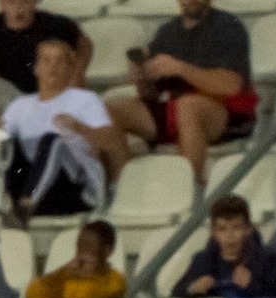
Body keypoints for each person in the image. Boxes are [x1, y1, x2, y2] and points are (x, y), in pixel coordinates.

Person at [107, 0, 255, 183]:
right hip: (173, 107)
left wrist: (181, 68)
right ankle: (123, 185)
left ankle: (187, 188)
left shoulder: (227, 27)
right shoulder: (167, 32)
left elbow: (231, 85)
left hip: (223, 113)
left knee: (187, 106)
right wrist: (141, 78)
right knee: (109, 109)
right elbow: (151, 96)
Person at [0, 38, 121, 219]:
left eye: (59, 61)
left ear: (70, 69)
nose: (52, 67)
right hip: (32, 186)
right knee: (1, 144)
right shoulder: (19, 106)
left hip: (74, 190)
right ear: (36, 68)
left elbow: (110, 143)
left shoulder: (85, 100)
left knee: (53, 141)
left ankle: (25, 207)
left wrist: (79, 128)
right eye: (46, 61)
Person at [171, 193, 276, 298]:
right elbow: (176, 292)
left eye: (236, 227)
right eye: (222, 229)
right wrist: (193, 288)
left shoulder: (267, 260)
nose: (229, 235)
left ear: (248, 229)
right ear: (213, 232)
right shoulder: (202, 260)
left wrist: (252, 286)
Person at [0, 0, 88, 108]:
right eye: (11, 1)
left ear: (35, 2)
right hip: (8, 95)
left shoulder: (55, 25)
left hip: (51, 90)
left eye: (25, 1)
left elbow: (85, 45)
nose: (18, 7)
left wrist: (77, 75)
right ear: (1, 3)